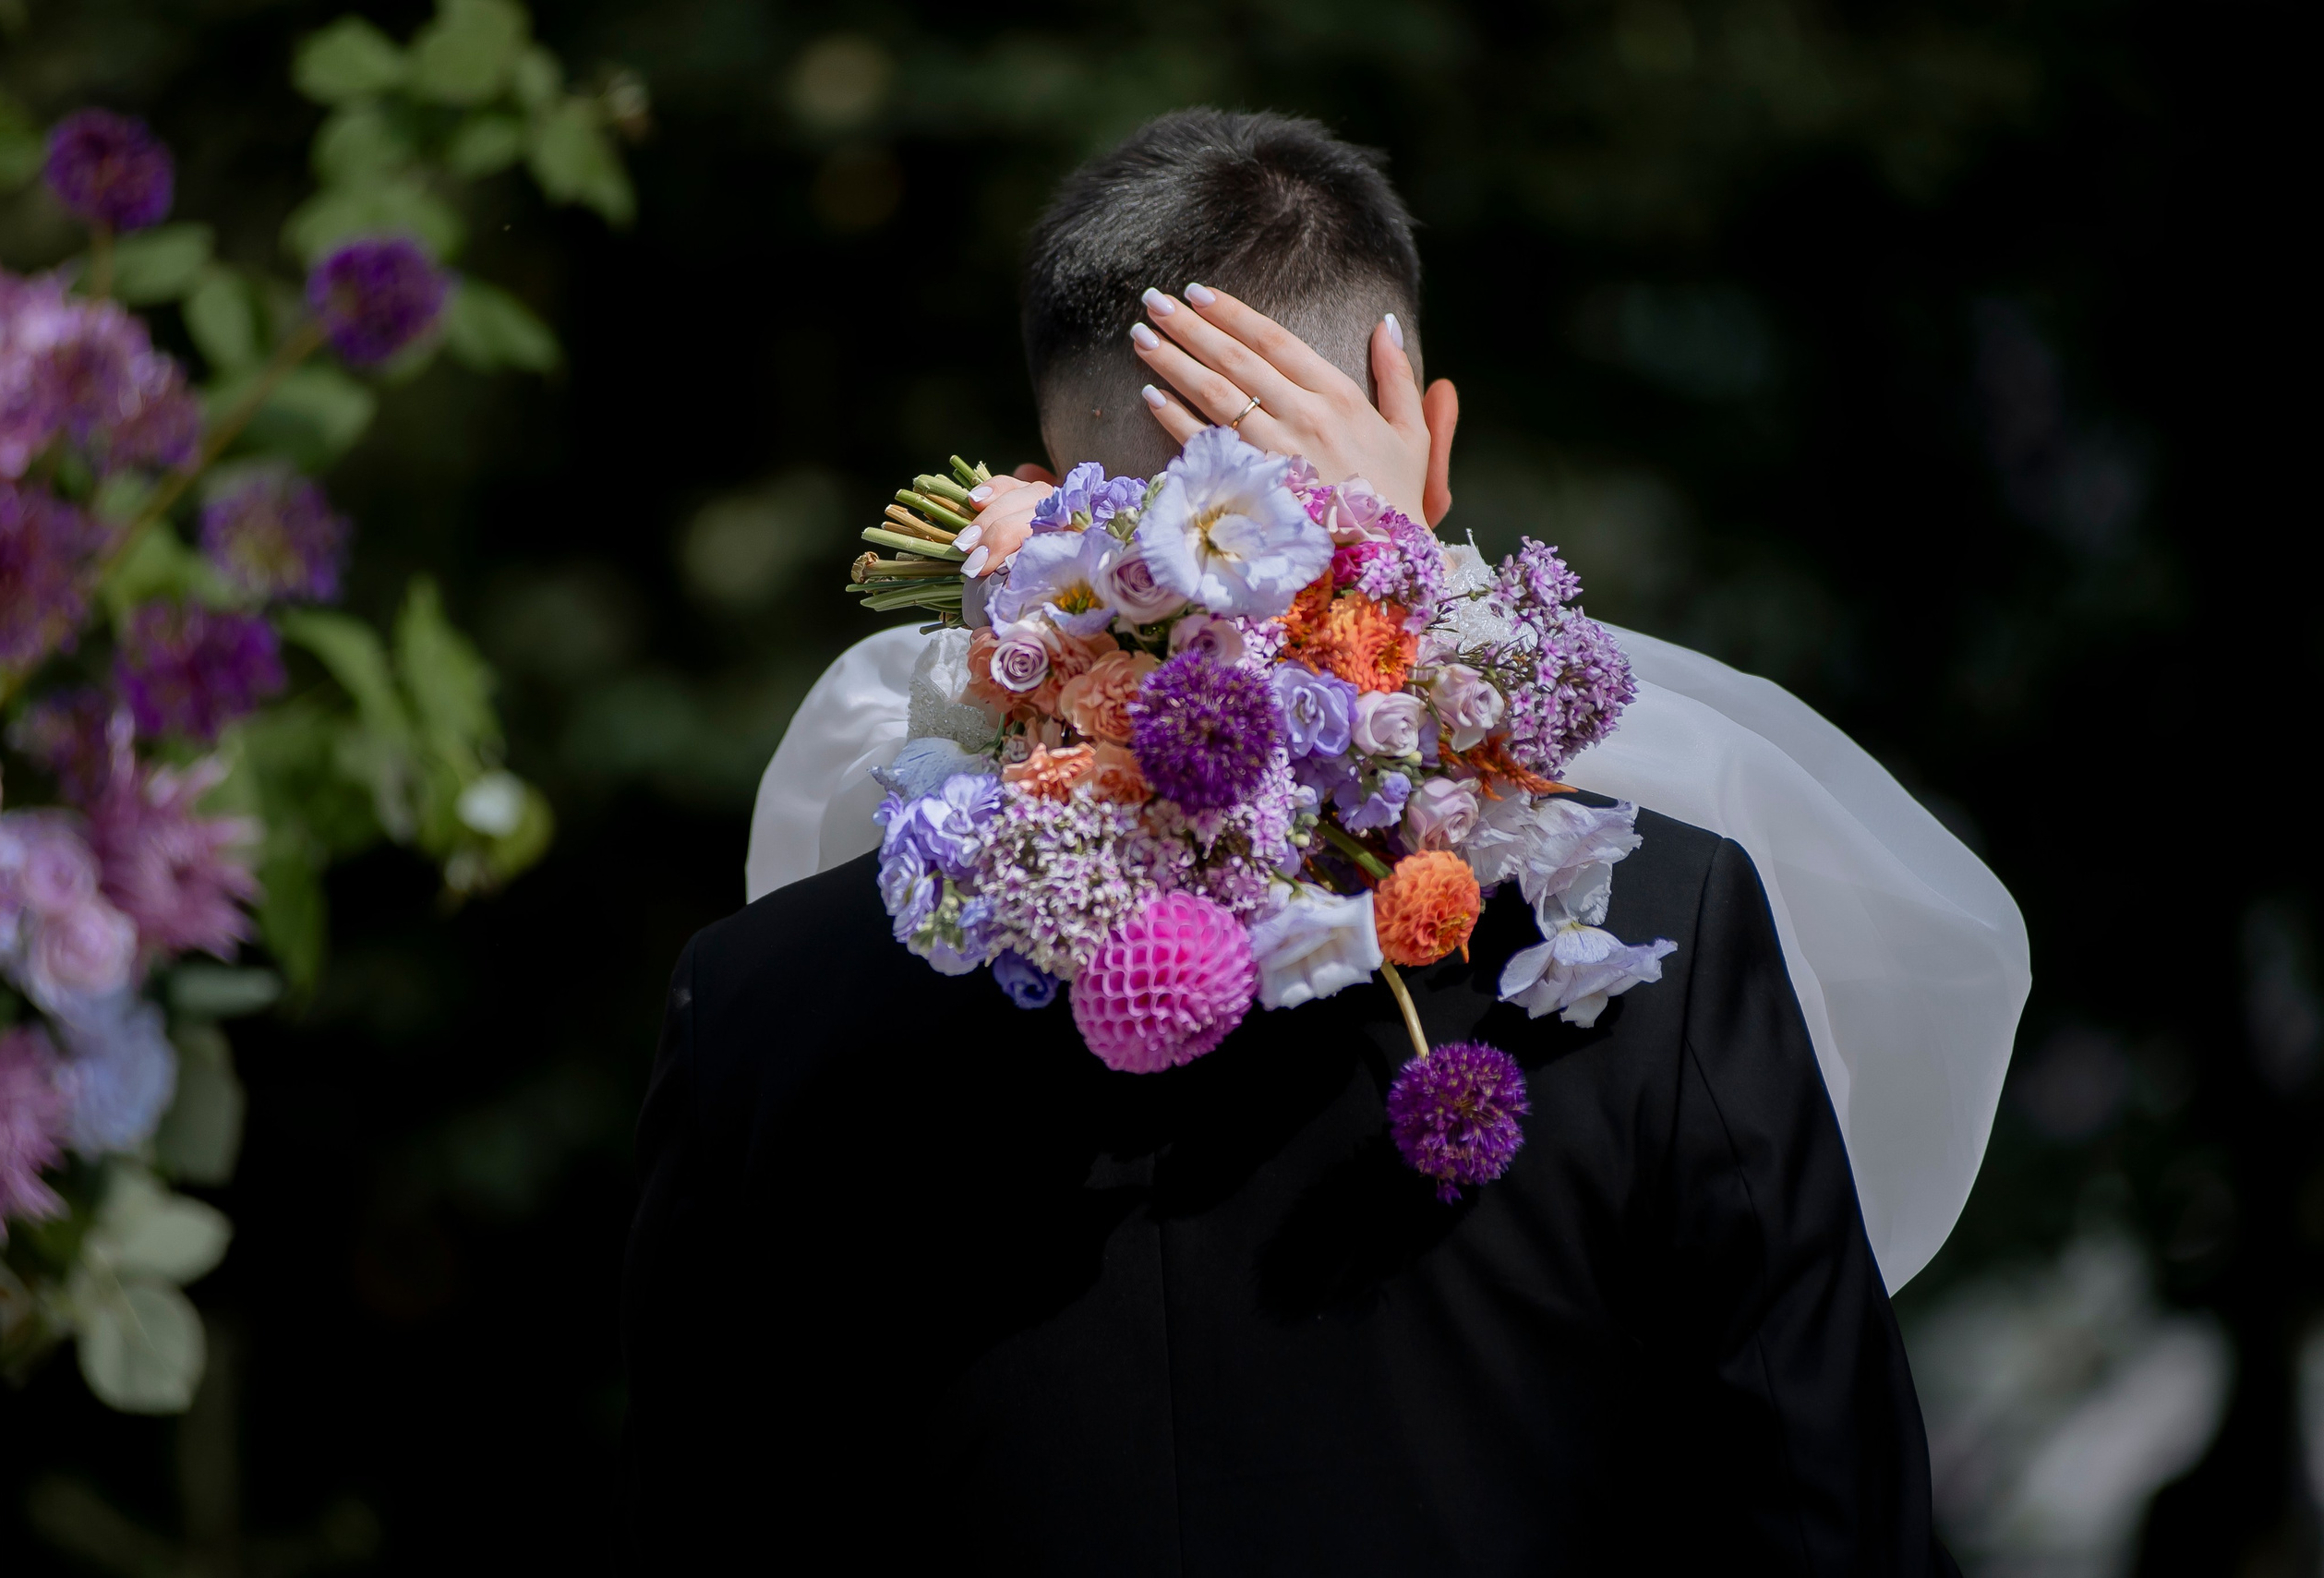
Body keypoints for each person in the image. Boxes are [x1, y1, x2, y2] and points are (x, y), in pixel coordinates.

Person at [624, 109, 2021, 1572]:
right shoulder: (1644, 932)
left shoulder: (765, 1001)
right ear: (1435, 444)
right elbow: (1826, 1523)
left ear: (1041, 481)